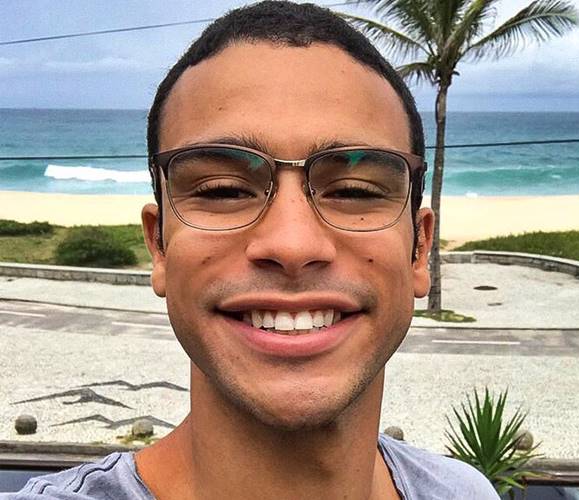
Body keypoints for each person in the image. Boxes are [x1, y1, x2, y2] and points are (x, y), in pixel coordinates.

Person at [8, 2, 497, 498]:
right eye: (223, 190)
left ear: (419, 249)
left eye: (354, 191)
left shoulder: (464, 492)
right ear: (159, 246)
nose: (292, 244)